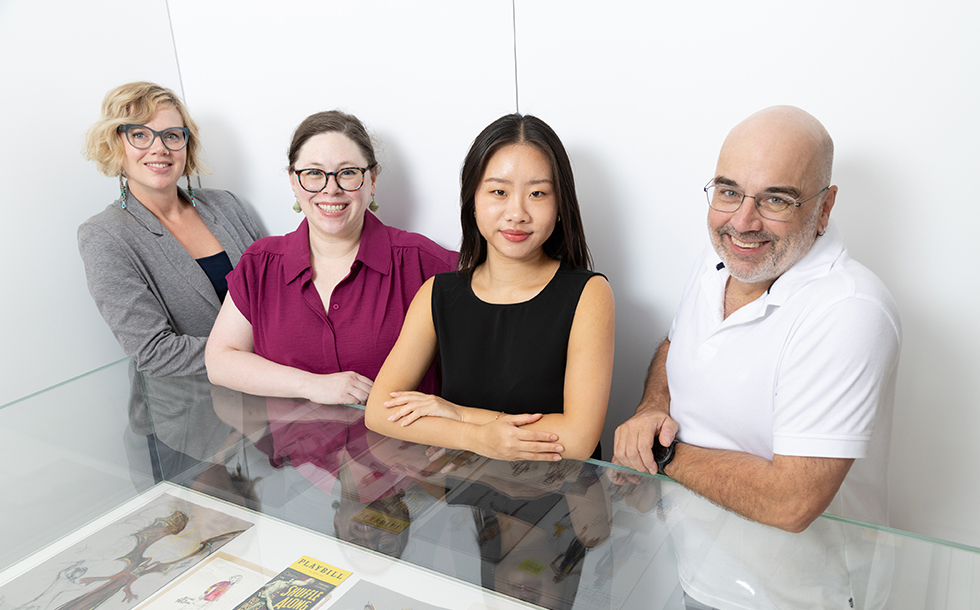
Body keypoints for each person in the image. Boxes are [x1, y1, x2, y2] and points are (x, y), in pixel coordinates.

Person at [613, 106, 901, 610]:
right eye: (728, 192)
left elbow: (791, 500)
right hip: (701, 572)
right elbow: (676, 346)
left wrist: (661, 454)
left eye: (776, 200)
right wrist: (652, 407)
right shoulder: (720, 260)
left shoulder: (849, 309)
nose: (743, 222)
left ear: (824, 207)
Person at [365, 114, 614, 461]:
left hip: (560, 492)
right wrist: (479, 437)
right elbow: (379, 411)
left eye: (537, 193)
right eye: (499, 192)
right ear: (473, 200)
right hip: (464, 491)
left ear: (560, 206)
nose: (517, 213)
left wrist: (459, 415)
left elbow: (577, 439)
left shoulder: (589, 294)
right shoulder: (438, 293)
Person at [206, 110, 457, 405]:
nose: (331, 189)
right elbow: (220, 360)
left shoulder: (423, 263)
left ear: (372, 180)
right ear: (293, 181)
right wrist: (310, 385)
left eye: (348, 172)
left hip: (397, 437)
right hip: (290, 437)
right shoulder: (260, 264)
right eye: (314, 173)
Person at [79, 82, 262, 377]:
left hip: (272, 389)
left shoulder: (227, 205)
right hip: (189, 401)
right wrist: (263, 351)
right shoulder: (104, 235)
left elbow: (281, 298)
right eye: (140, 134)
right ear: (114, 144)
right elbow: (155, 353)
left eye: (172, 135)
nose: (159, 148)